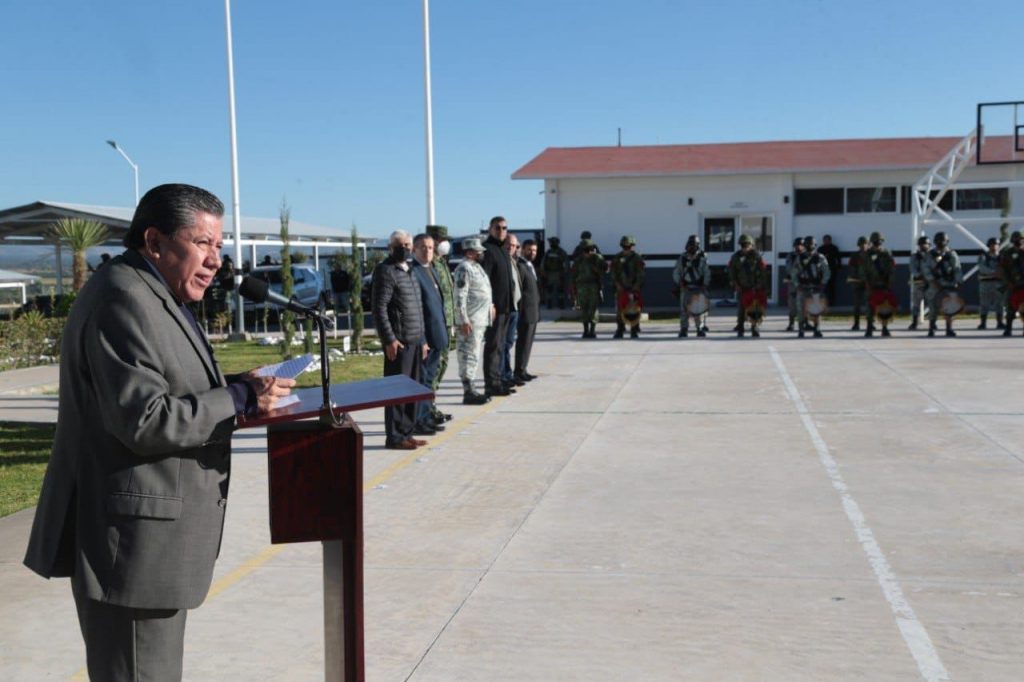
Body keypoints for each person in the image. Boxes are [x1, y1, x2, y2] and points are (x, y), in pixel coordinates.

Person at [23, 183, 294, 682]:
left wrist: (239, 386)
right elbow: (145, 420)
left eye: (219, 245)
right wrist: (237, 399)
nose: (215, 260)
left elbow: (169, 384)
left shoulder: (153, 292)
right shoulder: (123, 297)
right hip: (132, 548)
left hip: (150, 547)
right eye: (202, 243)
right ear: (155, 241)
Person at [372, 230, 429, 449]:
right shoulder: (386, 271)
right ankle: (395, 437)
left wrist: (423, 339)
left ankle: (407, 432)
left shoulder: (411, 270)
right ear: (391, 247)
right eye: (400, 245)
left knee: (412, 390)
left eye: (407, 245)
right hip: (399, 343)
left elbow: (418, 308)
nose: (405, 248)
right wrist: (389, 339)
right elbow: (379, 308)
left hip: (415, 341)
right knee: (397, 391)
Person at [410, 233, 449, 436]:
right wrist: (422, 339)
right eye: (423, 247)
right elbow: (416, 310)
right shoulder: (414, 272)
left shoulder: (431, 269)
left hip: (437, 334)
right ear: (414, 250)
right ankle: (419, 420)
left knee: (429, 379)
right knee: (422, 380)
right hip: (425, 336)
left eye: (431, 247)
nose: (427, 251)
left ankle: (426, 417)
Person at [453, 238, 494, 404]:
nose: (482, 253)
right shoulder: (464, 268)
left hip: (480, 319)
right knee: (468, 355)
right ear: (470, 253)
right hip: (470, 320)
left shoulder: (476, 267)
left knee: (474, 354)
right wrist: (463, 319)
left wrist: (490, 306)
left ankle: (472, 389)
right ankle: (468, 391)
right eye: (479, 251)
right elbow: (460, 295)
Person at [481, 216, 516, 397]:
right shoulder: (488, 250)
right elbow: (484, 280)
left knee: (501, 346)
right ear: (490, 229)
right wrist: (490, 304)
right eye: (497, 228)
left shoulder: (502, 250)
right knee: (493, 346)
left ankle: (499, 379)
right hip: (496, 309)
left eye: (504, 228)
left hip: (507, 307)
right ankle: (491, 384)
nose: (501, 231)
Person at [426, 225, 455, 423]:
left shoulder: (442, 262)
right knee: (433, 368)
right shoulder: (429, 265)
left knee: (442, 365)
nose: (444, 243)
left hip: (447, 321)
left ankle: (430, 406)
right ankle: (427, 409)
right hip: (436, 324)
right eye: (441, 239)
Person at [728, 234, 768, 338]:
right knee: (741, 310)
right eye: (743, 245)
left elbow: (763, 272)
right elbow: (732, 272)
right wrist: (736, 284)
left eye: (747, 245)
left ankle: (754, 328)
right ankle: (740, 328)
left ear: (751, 245)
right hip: (742, 288)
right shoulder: (736, 257)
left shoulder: (757, 256)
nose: (745, 247)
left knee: (755, 309)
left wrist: (761, 285)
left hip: (755, 288)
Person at [925, 231, 963, 337]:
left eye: (943, 240)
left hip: (949, 284)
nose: (941, 242)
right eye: (939, 240)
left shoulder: (951, 254)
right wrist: (933, 281)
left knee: (949, 307)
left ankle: (949, 329)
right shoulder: (930, 255)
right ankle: (931, 328)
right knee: (933, 308)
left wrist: (958, 282)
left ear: (947, 241)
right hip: (934, 285)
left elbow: (957, 268)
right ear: (935, 241)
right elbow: (926, 269)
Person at [859, 231, 896, 337]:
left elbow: (892, 269)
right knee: (870, 306)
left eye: (879, 241)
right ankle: (869, 328)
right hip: (871, 283)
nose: (878, 243)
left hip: (884, 283)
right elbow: (862, 270)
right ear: (872, 242)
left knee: (885, 307)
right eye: (876, 241)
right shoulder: (866, 254)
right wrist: (866, 282)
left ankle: (884, 328)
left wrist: (890, 282)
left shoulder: (886, 253)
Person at [672, 235, 709, 338]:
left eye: (694, 245)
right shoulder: (682, 258)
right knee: (684, 310)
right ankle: (684, 329)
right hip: (686, 288)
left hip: (698, 288)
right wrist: (679, 282)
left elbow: (706, 272)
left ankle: (699, 329)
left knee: (698, 310)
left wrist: (705, 284)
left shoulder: (702, 258)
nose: (692, 247)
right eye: (690, 245)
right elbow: (676, 272)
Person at [794, 235, 830, 338]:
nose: (810, 246)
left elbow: (826, 271)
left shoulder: (820, 257)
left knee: (816, 309)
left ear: (815, 245)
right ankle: (801, 330)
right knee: (801, 309)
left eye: (812, 244)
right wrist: (797, 285)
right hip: (803, 287)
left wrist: (823, 283)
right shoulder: (800, 257)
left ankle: (817, 329)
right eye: (808, 244)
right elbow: (794, 273)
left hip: (816, 287)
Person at [515, 239, 541, 381]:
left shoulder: (529, 265)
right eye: (529, 250)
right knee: (523, 342)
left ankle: (523, 369)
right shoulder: (520, 266)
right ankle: (519, 370)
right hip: (525, 311)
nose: (532, 253)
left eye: (535, 250)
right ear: (523, 250)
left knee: (528, 342)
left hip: (533, 311)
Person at [611, 235, 646, 339]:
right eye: (624, 247)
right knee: (620, 310)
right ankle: (620, 329)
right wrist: (617, 284)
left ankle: (634, 330)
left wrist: (636, 286)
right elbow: (613, 273)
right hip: (621, 288)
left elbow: (641, 274)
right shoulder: (617, 258)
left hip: (633, 288)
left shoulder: (637, 258)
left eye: (628, 246)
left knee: (634, 309)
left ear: (632, 246)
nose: (626, 249)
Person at [502, 234, 524, 387]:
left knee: (508, 343)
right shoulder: (502, 261)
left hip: (514, 308)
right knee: (502, 344)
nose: (511, 247)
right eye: (509, 244)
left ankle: (507, 374)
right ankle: (503, 375)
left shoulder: (513, 261)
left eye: (515, 245)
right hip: (505, 309)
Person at [572, 239, 605, 338]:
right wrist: (573, 288)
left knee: (593, 308)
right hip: (581, 286)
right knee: (584, 308)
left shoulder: (597, 258)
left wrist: (597, 267)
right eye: (585, 250)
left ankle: (592, 330)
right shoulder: (578, 260)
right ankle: (586, 330)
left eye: (589, 249)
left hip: (594, 286)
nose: (587, 252)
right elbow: (574, 275)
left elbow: (605, 269)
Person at [998, 230, 1024, 337]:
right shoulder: (1007, 253)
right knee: (1010, 307)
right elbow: (1003, 270)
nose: (1019, 241)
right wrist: (1008, 282)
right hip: (1013, 285)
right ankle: (1008, 329)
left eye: (1021, 239)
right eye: (1017, 239)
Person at [976, 237, 1004, 330]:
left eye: (996, 245)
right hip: (986, 283)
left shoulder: (1002, 257)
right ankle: (983, 323)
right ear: (989, 246)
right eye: (992, 245)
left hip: (998, 283)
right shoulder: (983, 256)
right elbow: (982, 268)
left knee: (999, 304)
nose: (994, 247)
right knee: (984, 304)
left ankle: (1000, 322)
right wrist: (994, 272)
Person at [908, 235, 931, 330]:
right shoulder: (915, 256)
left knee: (932, 304)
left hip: (930, 283)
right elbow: (912, 268)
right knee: (916, 304)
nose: (923, 246)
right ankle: (914, 322)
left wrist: (930, 277)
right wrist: (920, 275)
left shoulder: (932, 256)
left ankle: (932, 323)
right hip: (919, 283)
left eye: (925, 244)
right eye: (921, 244)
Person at [847, 236, 868, 331]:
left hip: (868, 283)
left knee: (869, 304)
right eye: (861, 244)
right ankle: (856, 323)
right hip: (857, 282)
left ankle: (870, 323)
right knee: (856, 304)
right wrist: (856, 278)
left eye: (865, 244)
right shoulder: (855, 255)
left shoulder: (871, 255)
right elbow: (852, 268)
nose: (863, 246)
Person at [783, 238, 804, 332]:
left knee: (805, 303)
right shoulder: (791, 256)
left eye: (801, 245)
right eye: (797, 245)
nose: (799, 247)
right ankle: (791, 323)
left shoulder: (807, 256)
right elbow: (788, 268)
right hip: (793, 282)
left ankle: (805, 323)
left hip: (805, 283)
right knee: (792, 303)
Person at [542, 236, 569, 308]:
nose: (550, 244)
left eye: (551, 242)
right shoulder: (549, 252)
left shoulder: (560, 252)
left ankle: (561, 305)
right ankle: (550, 305)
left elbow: (566, 263)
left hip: (558, 274)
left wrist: (564, 273)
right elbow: (543, 263)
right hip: (550, 274)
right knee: (550, 290)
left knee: (560, 291)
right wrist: (544, 272)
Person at [818, 234, 841, 305]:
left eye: (827, 240)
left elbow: (838, 257)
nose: (826, 241)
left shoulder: (834, 248)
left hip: (832, 269)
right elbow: (817, 259)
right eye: (824, 240)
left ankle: (832, 302)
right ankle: (823, 302)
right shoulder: (820, 249)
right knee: (824, 286)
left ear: (830, 240)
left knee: (832, 286)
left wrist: (839, 266)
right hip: (823, 270)